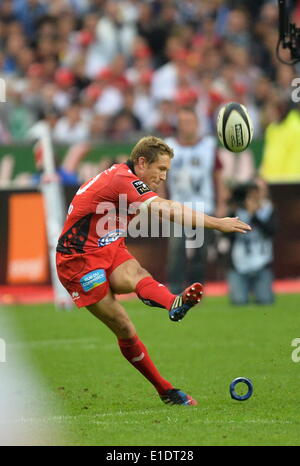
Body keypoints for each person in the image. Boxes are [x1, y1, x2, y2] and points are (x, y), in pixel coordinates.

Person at [56, 135, 250, 406]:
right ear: (142, 162)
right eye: (161, 169)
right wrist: (217, 223)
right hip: (77, 261)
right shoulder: (123, 179)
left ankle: (174, 303)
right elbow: (166, 209)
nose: (163, 177)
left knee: (137, 275)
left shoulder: (127, 178)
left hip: (108, 248)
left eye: (167, 171)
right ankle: (165, 390)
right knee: (124, 326)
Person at [165, 107, 227, 293]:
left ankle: (196, 289)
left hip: (203, 206)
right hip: (177, 207)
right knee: (177, 250)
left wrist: (221, 203)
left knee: (201, 251)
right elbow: (161, 176)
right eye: (183, 123)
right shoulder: (168, 147)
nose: (187, 127)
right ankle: (174, 291)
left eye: (190, 122)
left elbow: (218, 176)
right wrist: (160, 202)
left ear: (198, 124)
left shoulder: (208, 146)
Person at [227, 179, 276, 305]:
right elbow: (227, 236)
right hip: (239, 264)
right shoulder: (236, 212)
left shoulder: (269, 210)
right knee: (239, 302)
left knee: (265, 300)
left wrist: (255, 215)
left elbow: (272, 231)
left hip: (262, 262)